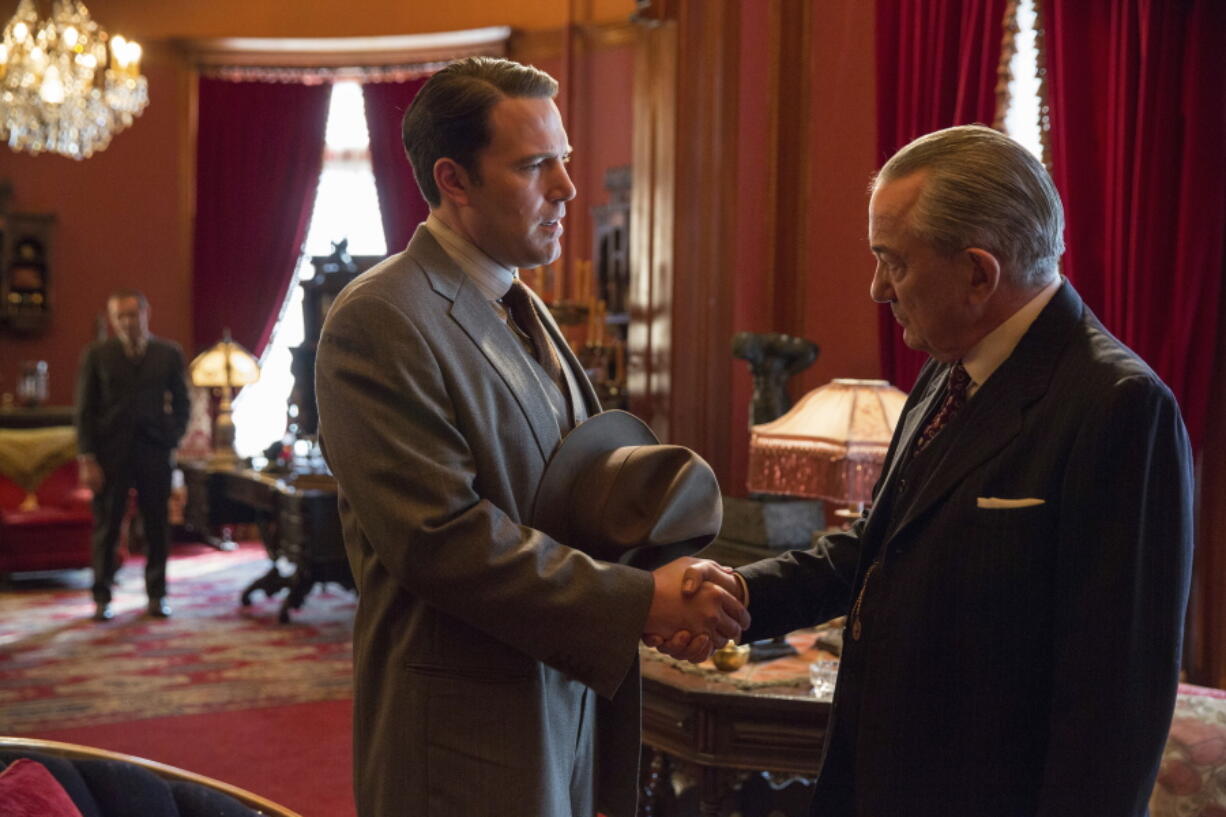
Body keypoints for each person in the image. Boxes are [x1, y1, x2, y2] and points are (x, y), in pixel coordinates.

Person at [665, 125, 1194, 816]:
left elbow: (1116, 698)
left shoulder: (1119, 405)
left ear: (979, 272)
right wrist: (738, 593)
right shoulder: (948, 366)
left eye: (894, 261)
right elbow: (878, 546)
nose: (878, 287)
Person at [314, 56, 748, 817]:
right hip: (460, 738)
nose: (568, 189)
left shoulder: (520, 297)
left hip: (558, 709)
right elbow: (441, 540)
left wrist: (666, 572)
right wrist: (640, 600)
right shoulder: (379, 317)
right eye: (536, 165)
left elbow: (561, 499)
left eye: (566, 161)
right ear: (454, 179)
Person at [75, 289, 190, 622]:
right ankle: (102, 597)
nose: (127, 321)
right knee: (107, 527)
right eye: (120, 316)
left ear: (145, 313)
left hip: (155, 451)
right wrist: (87, 457)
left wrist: (171, 435)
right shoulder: (97, 354)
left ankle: (157, 596)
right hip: (110, 454)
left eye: (132, 314)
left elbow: (182, 402)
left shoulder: (168, 353)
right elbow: (84, 410)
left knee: (157, 527)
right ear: (113, 320)